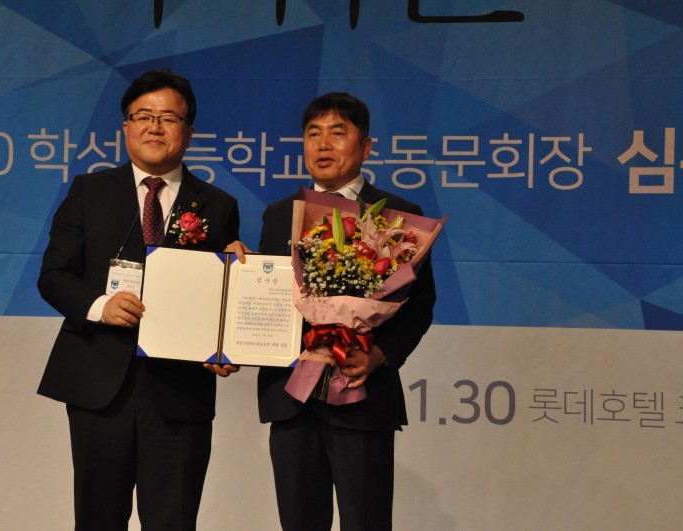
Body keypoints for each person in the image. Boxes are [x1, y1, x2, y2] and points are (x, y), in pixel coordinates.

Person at [37, 69, 246, 531]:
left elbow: (221, 297)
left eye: (169, 117)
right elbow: (54, 277)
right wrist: (100, 306)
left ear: (188, 132)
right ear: (126, 127)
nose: (155, 126)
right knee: (97, 519)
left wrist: (228, 334)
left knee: (173, 521)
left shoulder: (217, 205)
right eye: (144, 116)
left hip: (180, 394)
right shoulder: (89, 191)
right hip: (99, 388)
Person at [257, 93, 436, 531]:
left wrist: (380, 355)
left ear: (366, 147)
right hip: (292, 399)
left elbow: (420, 306)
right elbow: (267, 296)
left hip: (362, 395)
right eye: (313, 134)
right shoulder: (279, 215)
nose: (323, 144)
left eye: (338, 133)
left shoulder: (399, 216)